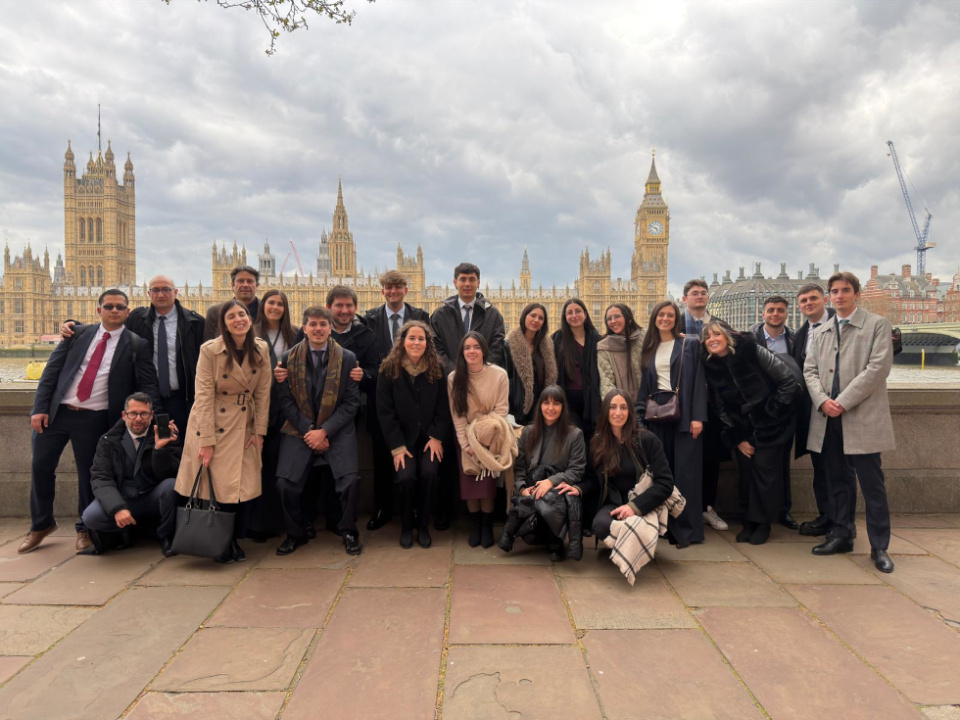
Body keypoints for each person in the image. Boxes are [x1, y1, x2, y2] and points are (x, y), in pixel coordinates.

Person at [19, 289, 160, 555]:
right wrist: (39, 408)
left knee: (89, 475)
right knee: (40, 467)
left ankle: (84, 528)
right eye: (109, 306)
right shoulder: (78, 334)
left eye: (120, 307)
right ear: (99, 310)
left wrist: (157, 418)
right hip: (58, 414)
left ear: (127, 313)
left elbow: (148, 384)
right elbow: (52, 370)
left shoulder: (136, 344)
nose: (114, 311)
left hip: (95, 419)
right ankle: (40, 524)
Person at [804, 271, 895, 573]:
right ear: (829, 296)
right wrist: (822, 400)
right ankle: (842, 534)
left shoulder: (877, 325)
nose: (839, 296)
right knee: (837, 481)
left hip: (860, 416)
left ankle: (879, 546)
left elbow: (878, 368)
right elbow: (810, 372)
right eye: (835, 291)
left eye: (845, 290)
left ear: (857, 294)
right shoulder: (821, 331)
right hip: (828, 417)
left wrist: (841, 401)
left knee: (872, 484)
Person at [175, 300, 271, 563]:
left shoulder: (261, 348)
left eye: (242, 314)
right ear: (224, 324)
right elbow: (203, 395)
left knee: (237, 487)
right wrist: (206, 439)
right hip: (212, 421)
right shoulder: (210, 350)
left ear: (250, 319)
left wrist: (259, 431)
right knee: (216, 486)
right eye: (232, 317)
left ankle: (232, 539)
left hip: (244, 423)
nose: (238, 320)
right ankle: (219, 542)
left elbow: (263, 393)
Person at [60, 274, 205, 433]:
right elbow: (109, 327)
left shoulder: (195, 322)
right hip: (143, 398)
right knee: (143, 448)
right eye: (155, 290)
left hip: (181, 398)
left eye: (166, 290)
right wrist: (75, 326)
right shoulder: (136, 318)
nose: (161, 294)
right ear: (149, 293)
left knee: (181, 445)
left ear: (176, 292)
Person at [274, 307, 363, 556]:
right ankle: (296, 532)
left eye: (323, 324)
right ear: (304, 328)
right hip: (299, 429)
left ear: (330, 328)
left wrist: (324, 431)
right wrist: (309, 430)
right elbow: (286, 401)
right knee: (284, 484)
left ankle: (348, 531)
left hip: (336, 430)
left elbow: (351, 403)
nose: (318, 328)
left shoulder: (346, 358)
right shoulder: (288, 357)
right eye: (313, 324)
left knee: (350, 482)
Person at [702, 320, 799, 545]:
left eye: (717, 335)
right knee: (746, 474)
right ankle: (749, 520)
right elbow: (719, 407)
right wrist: (737, 437)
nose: (712, 340)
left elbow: (787, 381)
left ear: (728, 336)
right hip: (744, 428)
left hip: (773, 424)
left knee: (766, 475)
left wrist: (771, 413)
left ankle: (762, 523)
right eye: (708, 338)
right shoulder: (711, 366)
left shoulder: (752, 350)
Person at [636, 300, 707, 547]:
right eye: (661, 315)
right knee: (663, 474)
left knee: (687, 474)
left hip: (685, 411)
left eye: (669, 315)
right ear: (654, 318)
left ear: (676, 319)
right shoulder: (650, 347)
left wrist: (698, 417)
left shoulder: (690, 343)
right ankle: (666, 527)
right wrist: (640, 415)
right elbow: (645, 386)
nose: (665, 319)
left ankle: (688, 530)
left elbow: (699, 381)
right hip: (658, 414)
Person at [364, 273, 431, 532]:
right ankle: (382, 508)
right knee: (382, 457)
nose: (393, 291)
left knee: (414, 459)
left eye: (397, 287)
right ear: (382, 291)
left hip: (414, 397)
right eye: (388, 287)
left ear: (406, 289)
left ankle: (413, 510)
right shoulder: (369, 318)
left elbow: (431, 352)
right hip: (381, 396)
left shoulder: (421, 317)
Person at [377, 320, 450, 549]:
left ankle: (424, 524)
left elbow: (443, 407)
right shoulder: (389, 370)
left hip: (429, 439)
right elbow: (385, 411)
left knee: (430, 473)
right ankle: (407, 524)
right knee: (406, 477)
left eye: (421, 339)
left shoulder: (437, 369)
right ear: (402, 342)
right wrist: (397, 446)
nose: (416, 342)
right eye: (412, 338)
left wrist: (437, 437)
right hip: (403, 441)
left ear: (428, 343)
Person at [81, 392, 181, 556]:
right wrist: (117, 508)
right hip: (123, 497)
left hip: (152, 495)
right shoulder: (108, 440)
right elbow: (101, 477)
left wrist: (159, 449)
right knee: (91, 517)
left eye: (144, 413)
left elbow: (172, 474)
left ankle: (165, 536)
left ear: (151, 415)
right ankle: (127, 531)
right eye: (133, 413)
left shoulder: (167, 435)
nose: (138, 418)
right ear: (124, 415)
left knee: (171, 486)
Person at [501, 385, 586, 561]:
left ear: (563, 407)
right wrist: (522, 488)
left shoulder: (575, 435)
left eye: (556, 403)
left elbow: (576, 470)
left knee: (553, 497)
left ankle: (555, 540)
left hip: (557, 492)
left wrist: (551, 482)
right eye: (546, 403)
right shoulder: (529, 432)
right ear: (540, 406)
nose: (550, 408)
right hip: (532, 489)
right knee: (530, 537)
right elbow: (520, 468)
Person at [585, 389, 674, 542]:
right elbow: (592, 479)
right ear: (605, 410)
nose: (618, 412)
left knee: (635, 527)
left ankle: (634, 540)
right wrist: (577, 488)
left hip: (643, 504)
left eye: (623, 407)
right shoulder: (598, 443)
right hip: (614, 505)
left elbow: (665, 483)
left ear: (630, 412)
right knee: (601, 526)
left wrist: (633, 507)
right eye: (613, 407)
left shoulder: (647, 439)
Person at [448, 331, 510, 548]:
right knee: (470, 482)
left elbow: (501, 410)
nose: (471, 351)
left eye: (476, 347)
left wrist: (486, 438)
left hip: (491, 436)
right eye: (467, 348)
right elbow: (457, 415)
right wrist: (467, 446)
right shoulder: (454, 378)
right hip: (466, 439)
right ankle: (475, 524)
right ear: (462, 352)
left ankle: (487, 525)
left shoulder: (499, 375)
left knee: (487, 484)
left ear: (484, 350)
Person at [677, 278, 729, 533]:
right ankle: (679, 509)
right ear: (685, 299)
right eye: (694, 293)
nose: (699, 297)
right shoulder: (672, 323)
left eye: (703, 293)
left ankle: (707, 507)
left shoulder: (719, 326)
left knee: (711, 458)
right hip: (680, 402)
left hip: (712, 403)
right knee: (680, 458)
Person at [245, 289, 297, 541]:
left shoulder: (294, 334)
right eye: (271, 303)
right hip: (257, 409)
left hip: (286, 409)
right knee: (258, 466)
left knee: (281, 467)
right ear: (262, 306)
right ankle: (257, 524)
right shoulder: (250, 333)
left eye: (280, 304)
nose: (275, 307)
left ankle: (280, 521)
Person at [790, 283, 840, 537]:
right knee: (821, 467)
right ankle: (826, 516)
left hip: (840, 408)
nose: (808, 303)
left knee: (840, 469)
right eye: (803, 301)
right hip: (813, 410)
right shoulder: (800, 335)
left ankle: (842, 523)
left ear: (825, 299)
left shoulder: (841, 325)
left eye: (813, 299)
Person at [750, 294, 799, 530]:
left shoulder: (795, 339)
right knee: (757, 464)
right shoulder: (751, 338)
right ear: (763, 313)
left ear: (786, 313)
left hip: (784, 410)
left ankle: (783, 511)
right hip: (759, 410)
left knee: (782, 464)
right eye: (771, 310)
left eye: (780, 310)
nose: (775, 314)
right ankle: (756, 514)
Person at [431, 262, 506, 373]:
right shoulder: (439, 316)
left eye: (472, 279)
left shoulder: (493, 316)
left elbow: (496, 349)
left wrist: (479, 372)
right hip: (449, 382)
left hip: (483, 380)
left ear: (478, 283)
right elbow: (435, 348)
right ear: (455, 283)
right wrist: (453, 373)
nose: (467, 284)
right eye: (463, 279)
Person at [552, 298, 601, 440]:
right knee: (575, 439)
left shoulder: (597, 340)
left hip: (593, 400)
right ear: (565, 317)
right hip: (568, 402)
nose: (574, 316)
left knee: (594, 439)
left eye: (578, 311)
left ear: (585, 314)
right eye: (570, 313)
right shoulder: (557, 340)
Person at [503, 303, 558, 425]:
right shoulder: (508, 346)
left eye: (540, 318)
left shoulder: (546, 347)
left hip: (541, 410)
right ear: (524, 316)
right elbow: (504, 380)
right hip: (517, 411)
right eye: (533, 315)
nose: (536, 320)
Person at [597, 303, 645, 401]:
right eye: (609, 319)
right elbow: (606, 382)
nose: (613, 321)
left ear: (629, 318)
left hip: (648, 401)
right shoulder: (604, 347)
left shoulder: (645, 337)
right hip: (621, 405)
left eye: (617, 316)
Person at [204, 265, 261, 341]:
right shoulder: (215, 312)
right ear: (232, 285)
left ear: (257, 285)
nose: (245, 285)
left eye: (250, 281)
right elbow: (208, 346)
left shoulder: (269, 311)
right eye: (240, 281)